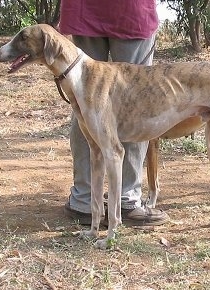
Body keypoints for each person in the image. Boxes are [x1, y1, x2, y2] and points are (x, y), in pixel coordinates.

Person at [59, 0, 169, 226]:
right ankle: (127, 200)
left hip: (85, 9)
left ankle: (85, 200)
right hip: (132, 10)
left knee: (85, 105)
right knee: (137, 105)